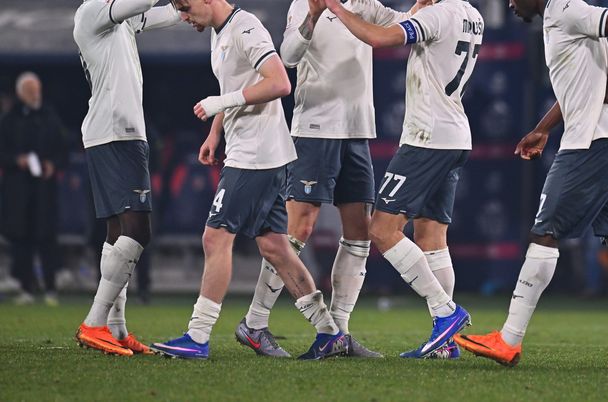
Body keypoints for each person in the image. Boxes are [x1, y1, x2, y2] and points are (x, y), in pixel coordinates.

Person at [454, 0, 608, 370]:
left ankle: (508, 340)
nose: (509, 4)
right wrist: (543, 127)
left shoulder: (566, 8)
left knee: (545, 232)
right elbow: (578, 86)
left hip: (590, 144)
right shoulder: (558, 16)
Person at [150, 0, 346, 361]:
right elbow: (239, 84)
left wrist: (219, 102)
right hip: (257, 152)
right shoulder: (218, 31)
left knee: (215, 238)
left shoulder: (246, 28)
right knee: (276, 247)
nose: (183, 16)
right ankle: (328, 331)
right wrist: (215, 132)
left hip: (256, 156)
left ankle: (197, 336)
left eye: (187, 6)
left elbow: (279, 82)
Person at [237, 0, 430, 359]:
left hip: (357, 131)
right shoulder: (305, 4)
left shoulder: (366, 4)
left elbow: (406, 25)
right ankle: (255, 321)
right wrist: (312, 16)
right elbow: (289, 55)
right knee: (299, 227)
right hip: (315, 128)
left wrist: (423, 3)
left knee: (359, 233)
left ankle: (338, 333)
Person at [323, 0, 479, 358]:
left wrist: (337, 8)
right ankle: (446, 344)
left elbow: (379, 38)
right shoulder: (471, 14)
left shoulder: (438, 15)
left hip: (427, 139)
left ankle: (446, 312)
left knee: (381, 229)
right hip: (456, 137)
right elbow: (414, 26)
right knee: (431, 237)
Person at [73, 0, 180, 356]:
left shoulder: (121, 20)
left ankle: (116, 330)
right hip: (115, 135)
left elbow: (170, 12)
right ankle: (94, 321)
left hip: (123, 135)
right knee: (138, 230)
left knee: (117, 233)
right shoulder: (92, 12)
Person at [0, 72, 68, 306]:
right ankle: (25, 287)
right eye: (30, 91)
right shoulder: (9, 120)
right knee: (22, 239)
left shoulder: (50, 117)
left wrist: (53, 164)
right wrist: (15, 161)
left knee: (46, 237)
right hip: (18, 191)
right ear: (21, 93)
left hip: (44, 190)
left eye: (36, 90)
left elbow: (63, 151)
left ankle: (50, 288)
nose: (34, 95)